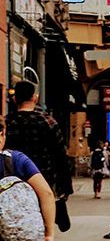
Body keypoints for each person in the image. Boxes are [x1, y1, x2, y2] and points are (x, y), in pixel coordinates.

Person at [5, 81, 72, 230]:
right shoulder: (48, 122)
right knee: (40, 227)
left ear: (15, 99)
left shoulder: (7, 123)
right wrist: (65, 187)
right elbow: (61, 157)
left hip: (11, 185)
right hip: (43, 183)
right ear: (35, 98)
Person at [0, 118, 56, 241]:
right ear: (1, 134)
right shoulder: (16, 160)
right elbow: (46, 194)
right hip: (15, 234)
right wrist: (49, 233)